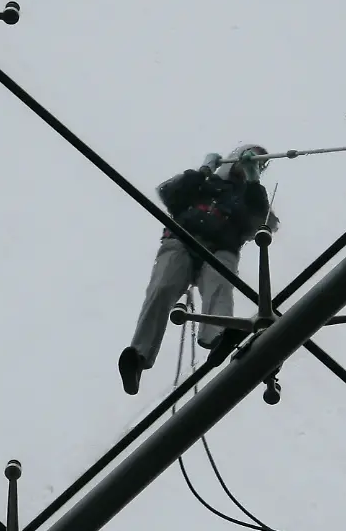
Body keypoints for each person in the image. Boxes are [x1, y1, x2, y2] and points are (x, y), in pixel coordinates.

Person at [118, 144, 280, 395]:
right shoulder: (205, 183)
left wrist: (253, 180)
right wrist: (204, 170)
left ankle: (218, 336)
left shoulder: (249, 194)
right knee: (162, 287)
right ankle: (138, 355)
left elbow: (261, 220)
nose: (253, 164)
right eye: (250, 157)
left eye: (259, 162)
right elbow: (170, 193)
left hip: (221, 248)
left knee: (220, 285)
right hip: (182, 239)